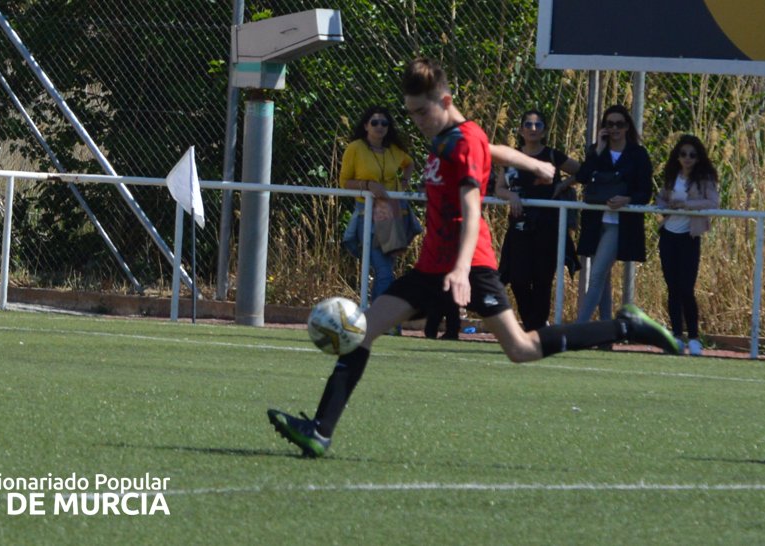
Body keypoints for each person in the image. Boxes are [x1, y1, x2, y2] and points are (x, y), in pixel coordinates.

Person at [267, 58, 680, 458]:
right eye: (410, 113)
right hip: (432, 266)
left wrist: (463, 268)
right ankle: (320, 431)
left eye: (421, 112)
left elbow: (471, 207)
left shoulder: (462, 141)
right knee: (362, 332)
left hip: (472, 264)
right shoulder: (450, 136)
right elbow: (493, 148)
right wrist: (529, 162)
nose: (416, 121)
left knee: (520, 348)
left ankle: (624, 326)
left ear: (445, 101)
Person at [494, 110, 581, 331]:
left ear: (544, 130)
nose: (533, 129)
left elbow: (582, 171)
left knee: (543, 280)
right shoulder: (511, 156)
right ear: (521, 129)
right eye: (528, 124)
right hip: (520, 225)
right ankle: (533, 324)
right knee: (518, 279)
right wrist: (512, 195)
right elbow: (499, 188)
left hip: (547, 225)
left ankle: (536, 328)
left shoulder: (552, 155)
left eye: (538, 125)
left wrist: (562, 185)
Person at [574, 105, 654, 327]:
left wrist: (627, 200)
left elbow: (645, 192)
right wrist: (598, 150)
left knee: (597, 273)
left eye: (619, 124)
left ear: (627, 126)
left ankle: (580, 328)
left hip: (619, 223)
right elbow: (582, 176)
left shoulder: (637, 154)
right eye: (610, 124)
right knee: (604, 278)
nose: (615, 128)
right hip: (595, 221)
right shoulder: (597, 150)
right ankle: (606, 329)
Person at [340, 106, 415, 301]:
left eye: (384, 123)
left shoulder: (393, 150)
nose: (379, 127)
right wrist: (368, 185)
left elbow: (409, 163)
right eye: (374, 122)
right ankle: (381, 318)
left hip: (392, 214)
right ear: (366, 126)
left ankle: (376, 316)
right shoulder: (355, 148)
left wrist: (405, 181)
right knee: (384, 272)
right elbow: (344, 182)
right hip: (367, 214)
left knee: (386, 270)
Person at [655, 135, 719, 356]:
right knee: (672, 288)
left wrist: (686, 205)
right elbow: (660, 199)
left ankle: (693, 337)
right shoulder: (672, 176)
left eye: (692, 155)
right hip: (669, 235)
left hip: (689, 237)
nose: (687, 158)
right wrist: (667, 206)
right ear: (677, 156)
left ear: (698, 157)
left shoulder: (705, 178)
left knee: (686, 288)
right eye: (683, 154)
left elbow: (712, 202)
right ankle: (676, 336)